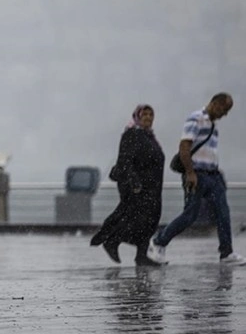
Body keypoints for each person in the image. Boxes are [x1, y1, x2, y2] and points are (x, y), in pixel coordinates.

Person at [148, 92, 246, 265]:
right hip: (197, 175)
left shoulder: (213, 124)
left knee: (223, 213)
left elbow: (207, 151)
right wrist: (190, 173)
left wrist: (216, 169)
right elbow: (184, 146)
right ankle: (158, 241)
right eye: (225, 109)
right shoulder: (196, 119)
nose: (225, 114)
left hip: (213, 176)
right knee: (189, 215)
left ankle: (226, 253)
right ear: (215, 103)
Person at [90, 104, 165, 266]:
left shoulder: (149, 136)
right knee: (137, 220)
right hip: (139, 187)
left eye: (151, 115)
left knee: (150, 222)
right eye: (144, 114)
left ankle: (141, 255)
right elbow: (125, 160)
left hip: (153, 188)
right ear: (137, 116)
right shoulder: (132, 134)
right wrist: (134, 182)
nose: (148, 118)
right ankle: (113, 240)